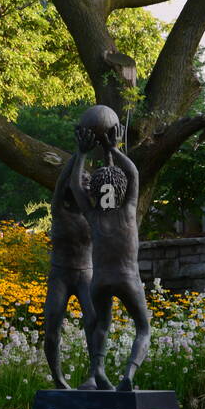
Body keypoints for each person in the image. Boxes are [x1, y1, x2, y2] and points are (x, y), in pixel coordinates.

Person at [70, 120, 152, 391]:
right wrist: (114, 149)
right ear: (122, 190)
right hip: (127, 278)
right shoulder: (128, 210)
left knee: (100, 326)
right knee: (143, 329)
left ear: (96, 191)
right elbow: (133, 173)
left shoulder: (93, 216)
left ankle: (97, 373)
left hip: (100, 281)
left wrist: (82, 153)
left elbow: (75, 186)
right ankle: (128, 375)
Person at [43, 151, 94, 389]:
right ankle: (59, 379)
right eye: (80, 179)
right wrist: (80, 153)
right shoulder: (59, 210)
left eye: (87, 180)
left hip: (86, 274)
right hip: (60, 275)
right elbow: (64, 180)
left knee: (94, 323)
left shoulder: (95, 215)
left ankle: (95, 375)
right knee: (52, 326)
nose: (83, 182)